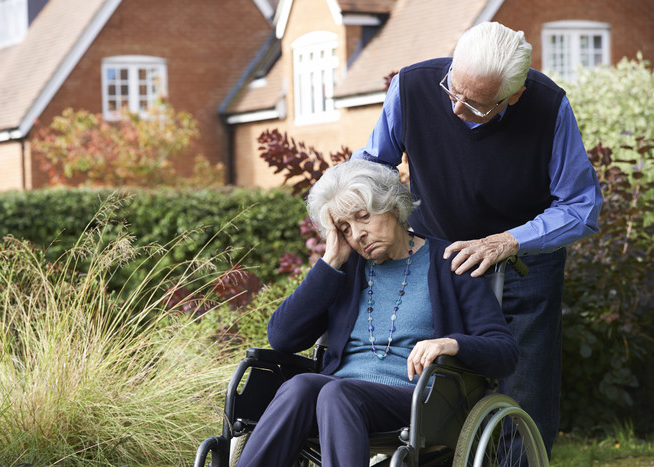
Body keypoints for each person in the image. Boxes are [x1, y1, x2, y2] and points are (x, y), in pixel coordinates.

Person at [351, 21, 603, 455]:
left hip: (523, 265)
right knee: (435, 388)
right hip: (434, 261)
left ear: (514, 95)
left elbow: (581, 206)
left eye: (477, 104)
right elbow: (371, 167)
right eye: (453, 90)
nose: (456, 109)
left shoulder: (548, 106)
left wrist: (508, 240)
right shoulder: (411, 87)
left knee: (524, 395)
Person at [236, 159, 518, 466]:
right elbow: (282, 337)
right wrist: (330, 262)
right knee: (299, 386)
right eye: (345, 228)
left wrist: (450, 343)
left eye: (363, 217)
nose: (357, 234)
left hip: (419, 399)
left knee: (336, 394)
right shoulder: (346, 270)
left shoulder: (449, 263)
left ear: (393, 207)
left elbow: (504, 353)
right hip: (337, 398)